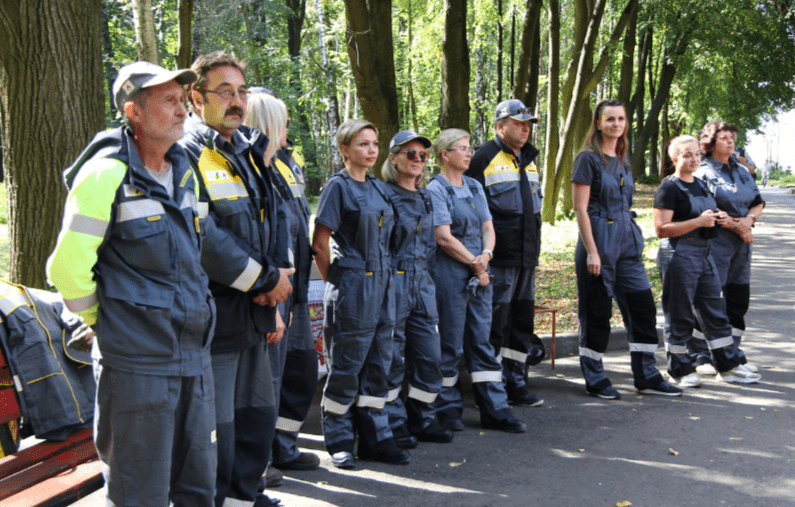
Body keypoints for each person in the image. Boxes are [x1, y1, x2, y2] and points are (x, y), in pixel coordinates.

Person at [47, 61, 217, 506]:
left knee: (197, 487)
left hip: (192, 359)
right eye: (169, 101)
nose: (183, 111)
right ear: (134, 112)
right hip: (137, 367)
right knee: (138, 494)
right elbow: (67, 268)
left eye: (183, 102)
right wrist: (101, 321)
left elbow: (192, 258)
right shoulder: (106, 174)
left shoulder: (183, 168)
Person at [180, 51, 292, 507]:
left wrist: (276, 285)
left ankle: (248, 496)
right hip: (217, 314)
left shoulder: (248, 149)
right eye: (224, 91)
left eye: (241, 91)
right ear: (195, 96)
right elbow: (203, 237)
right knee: (217, 426)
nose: (236, 101)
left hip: (257, 311)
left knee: (255, 416)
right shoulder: (186, 153)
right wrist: (265, 280)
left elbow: (275, 216)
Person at [312, 119, 409, 469]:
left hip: (383, 285)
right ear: (344, 149)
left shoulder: (379, 188)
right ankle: (338, 439)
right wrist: (337, 283)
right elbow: (320, 243)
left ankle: (375, 437)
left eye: (374, 144)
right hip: (353, 284)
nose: (371, 150)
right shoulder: (337, 188)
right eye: (362, 144)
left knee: (379, 361)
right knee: (347, 364)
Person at [571, 99, 682, 400]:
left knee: (642, 306)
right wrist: (592, 251)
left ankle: (646, 375)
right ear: (597, 123)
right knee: (596, 312)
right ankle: (594, 376)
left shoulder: (623, 158)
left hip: (626, 240)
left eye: (621, 119)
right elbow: (580, 209)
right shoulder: (587, 158)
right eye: (610, 119)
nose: (616, 124)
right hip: (598, 239)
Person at [428, 128, 526, 433]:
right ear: (445, 155)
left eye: (470, 148)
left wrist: (485, 253)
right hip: (451, 274)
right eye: (463, 148)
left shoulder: (473, 185)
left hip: (480, 271)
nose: (470, 153)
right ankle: (448, 410)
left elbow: (488, 226)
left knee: (482, 343)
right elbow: (443, 237)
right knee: (451, 345)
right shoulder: (436, 189)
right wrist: (475, 263)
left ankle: (495, 410)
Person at [244, 89, 321, 477]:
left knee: (300, 371)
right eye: (283, 120)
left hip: (297, 290)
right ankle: (264, 459)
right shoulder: (254, 169)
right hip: (272, 293)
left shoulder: (287, 163)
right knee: (268, 380)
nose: (288, 126)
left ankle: (284, 445)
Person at [653, 135, 760, 386]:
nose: (693, 159)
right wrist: (698, 222)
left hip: (705, 252)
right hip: (680, 253)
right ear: (674, 158)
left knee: (715, 311)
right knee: (679, 314)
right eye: (687, 155)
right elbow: (661, 229)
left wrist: (718, 216)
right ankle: (679, 369)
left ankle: (728, 366)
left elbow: (707, 211)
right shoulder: (668, 188)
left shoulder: (700, 184)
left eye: (696, 155)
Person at [465, 99, 544, 408]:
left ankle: (517, 380)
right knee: (494, 323)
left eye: (528, 124)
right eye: (518, 123)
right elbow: (471, 214)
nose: (525, 129)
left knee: (521, 321)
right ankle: (490, 385)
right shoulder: (482, 158)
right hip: (498, 258)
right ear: (500, 126)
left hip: (527, 256)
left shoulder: (530, 158)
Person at [381, 130, 454, 447]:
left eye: (423, 155)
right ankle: (394, 420)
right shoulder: (383, 194)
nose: (418, 160)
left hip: (423, 281)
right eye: (409, 154)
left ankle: (423, 416)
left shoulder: (426, 196)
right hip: (394, 280)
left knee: (429, 355)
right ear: (394, 158)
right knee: (393, 355)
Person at [691, 121, 765, 375]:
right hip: (714, 244)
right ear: (710, 143)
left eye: (732, 137)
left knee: (737, 300)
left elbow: (757, 202)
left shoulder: (742, 171)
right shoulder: (702, 171)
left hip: (741, 248)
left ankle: (732, 354)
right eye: (724, 138)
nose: (730, 141)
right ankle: (700, 354)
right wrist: (739, 226)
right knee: (710, 300)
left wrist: (749, 221)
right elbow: (707, 210)